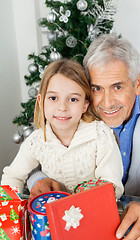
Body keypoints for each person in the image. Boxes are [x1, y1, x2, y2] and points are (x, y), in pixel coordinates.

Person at [27, 34, 140, 240]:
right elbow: (33, 158)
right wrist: (39, 180)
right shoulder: (75, 106)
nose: (107, 103)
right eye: (97, 88)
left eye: (117, 87)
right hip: (84, 226)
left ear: (138, 83)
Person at [1, 58, 124, 199]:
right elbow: (13, 176)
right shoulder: (36, 141)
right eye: (53, 98)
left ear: (85, 105)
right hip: (51, 218)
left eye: (73, 99)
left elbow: (113, 186)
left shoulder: (101, 136)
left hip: (93, 215)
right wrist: (9, 212)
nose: (62, 108)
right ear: (41, 101)